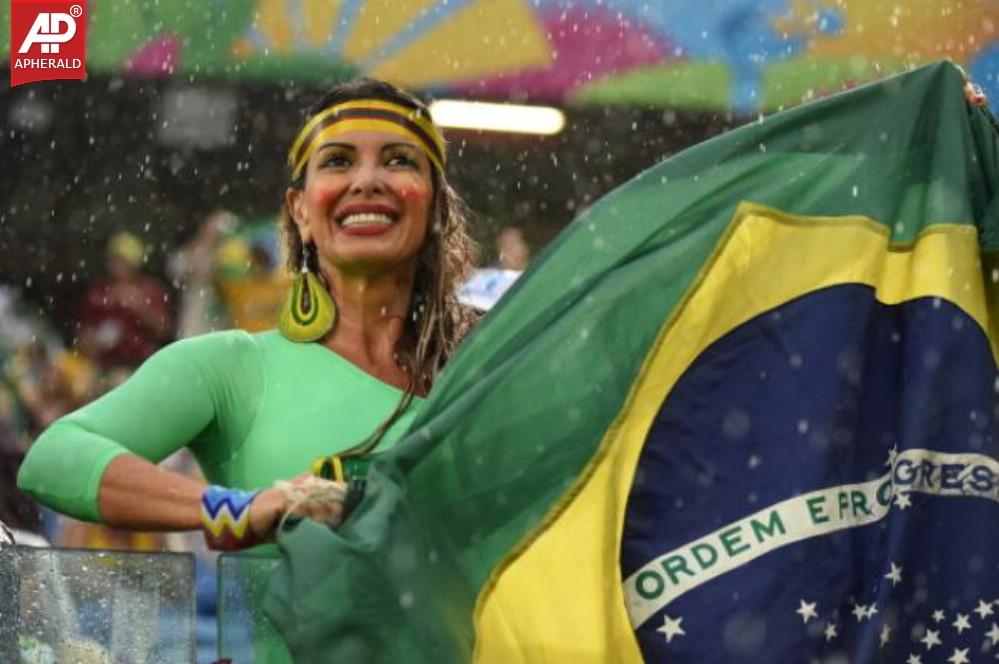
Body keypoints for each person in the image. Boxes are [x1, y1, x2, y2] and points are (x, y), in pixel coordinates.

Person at [17, 77, 477, 657]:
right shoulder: (236, 368)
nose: (367, 180)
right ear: (300, 212)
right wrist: (236, 509)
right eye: (337, 161)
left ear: (435, 205)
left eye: (399, 161)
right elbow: (56, 458)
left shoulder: (486, 368)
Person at [77, 231, 172, 371]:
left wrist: (140, 307)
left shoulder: (151, 290)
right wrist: (93, 342)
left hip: (142, 366)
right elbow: (83, 336)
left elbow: (163, 330)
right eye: (115, 260)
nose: (118, 266)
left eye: (124, 261)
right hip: (104, 368)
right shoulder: (98, 292)